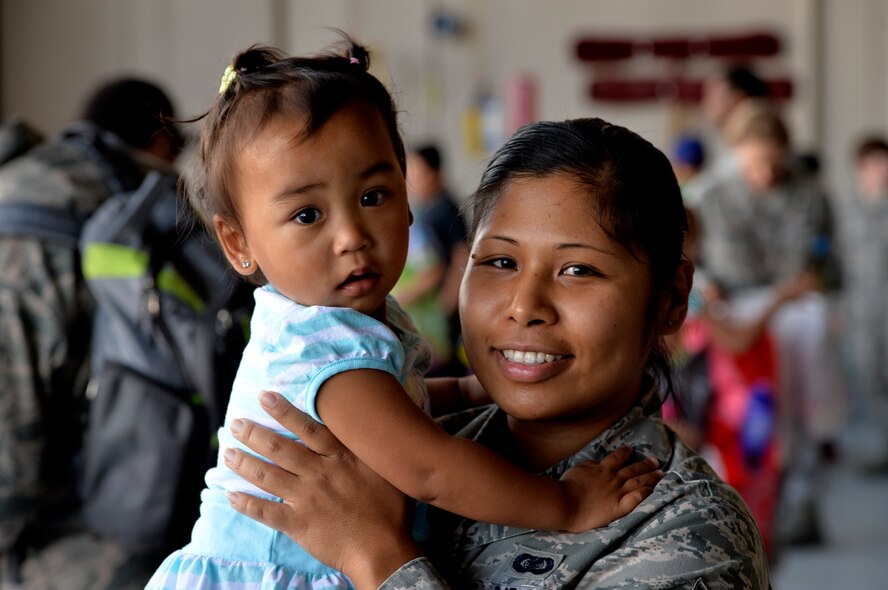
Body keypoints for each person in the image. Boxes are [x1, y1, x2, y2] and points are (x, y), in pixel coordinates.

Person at [147, 43, 661, 590]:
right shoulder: (322, 346)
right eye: (306, 214)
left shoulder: (340, 322)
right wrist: (566, 503)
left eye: (373, 195)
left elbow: (383, 409)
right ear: (237, 240)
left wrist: (461, 391)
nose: (351, 237)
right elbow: (431, 469)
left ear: (407, 194)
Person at [222, 118, 772, 588]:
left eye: (578, 271)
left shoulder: (688, 534)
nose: (523, 307)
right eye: (500, 262)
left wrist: (377, 558)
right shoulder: (416, 441)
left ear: (672, 298)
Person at [0, 78, 182, 589]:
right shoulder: (168, 205)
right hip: (173, 534)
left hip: (57, 550)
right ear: (162, 137)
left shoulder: (25, 199)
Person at [693, 109, 845, 548]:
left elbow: (830, 263)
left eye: (773, 164)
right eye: (754, 164)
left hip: (794, 304)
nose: (764, 174)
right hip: (734, 305)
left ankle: (802, 478)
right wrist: (706, 298)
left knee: (802, 369)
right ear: (735, 155)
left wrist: (820, 283)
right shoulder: (710, 193)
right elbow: (688, 266)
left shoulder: (811, 195)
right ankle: (734, 491)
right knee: (743, 403)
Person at [834, 136, 888, 469]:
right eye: (873, 163)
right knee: (867, 380)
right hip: (859, 312)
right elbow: (836, 266)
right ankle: (879, 447)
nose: (880, 170)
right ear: (859, 168)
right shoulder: (846, 213)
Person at [392, 144, 469, 375]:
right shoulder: (426, 208)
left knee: (450, 360)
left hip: (447, 299)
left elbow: (461, 253)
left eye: (418, 171)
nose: (412, 178)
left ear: (435, 172)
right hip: (435, 302)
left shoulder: (446, 208)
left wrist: (449, 296)